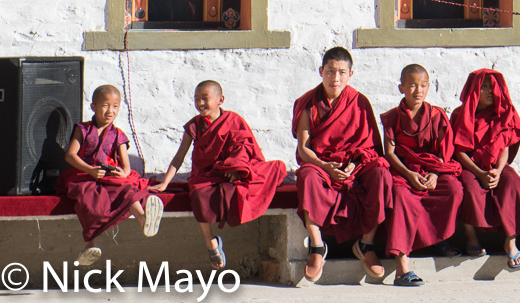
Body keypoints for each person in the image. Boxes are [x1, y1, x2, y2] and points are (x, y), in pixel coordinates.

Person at [151, 80, 286, 272]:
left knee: (269, 171)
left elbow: (245, 148)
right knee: (197, 193)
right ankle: (210, 241)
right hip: (206, 174)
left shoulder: (234, 120)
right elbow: (179, 156)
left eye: (205, 99)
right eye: (197, 99)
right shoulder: (194, 126)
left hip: (230, 172)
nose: (200, 104)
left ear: (220, 99)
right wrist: (165, 182)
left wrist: (235, 167)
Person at [292, 47, 391, 283]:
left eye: (341, 72)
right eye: (330, 71)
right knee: (307, 176)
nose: (335, 78)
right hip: (321, 164)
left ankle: (366, 245)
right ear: (321, 71)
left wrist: (353, 165)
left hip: (353, 165)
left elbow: (370, 146)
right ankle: (317, 247)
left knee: (381, 173)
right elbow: (304, 148)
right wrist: (324, 165)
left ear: (351, 74)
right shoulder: (308, 103)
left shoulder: (359, 102)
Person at [379, 64, 464, 286]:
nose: (418, 90)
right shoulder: (392, 117)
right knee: (400, 197)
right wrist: (408, 174)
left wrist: (435, 174)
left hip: (432, 169)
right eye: (412, 85)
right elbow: (389, 152)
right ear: (401, 88)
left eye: (423, 85)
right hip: (403, 171)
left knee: (453, 189)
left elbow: (445, 151)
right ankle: (402, 269)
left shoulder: (437, 115)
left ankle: (435, 240)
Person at [60, 84, 163, 268]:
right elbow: (70, 155)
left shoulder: (118, 135)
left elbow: (125, 168)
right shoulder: (82, 129)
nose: (110, 110)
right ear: (93, 107)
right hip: (84, 175)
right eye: (105, 105)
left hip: (108, 176)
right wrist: (90, 170)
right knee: (89, 198)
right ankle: (89, 245)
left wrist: (119, 173)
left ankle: (143, 219)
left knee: (127, 188)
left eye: (115, 106)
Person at [451, 69, 520, 269]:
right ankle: (471, 236)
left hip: (497, 163)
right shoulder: (460, 114)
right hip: (469, 165)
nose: (490, 91)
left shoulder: (503, 113)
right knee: (468, 187)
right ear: (474, 89)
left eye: (492, 86)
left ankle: (511, 240)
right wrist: (479, 173)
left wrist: (498, 170)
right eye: (484, 87)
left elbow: (504, 147)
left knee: (513, 183)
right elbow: (458, 149)